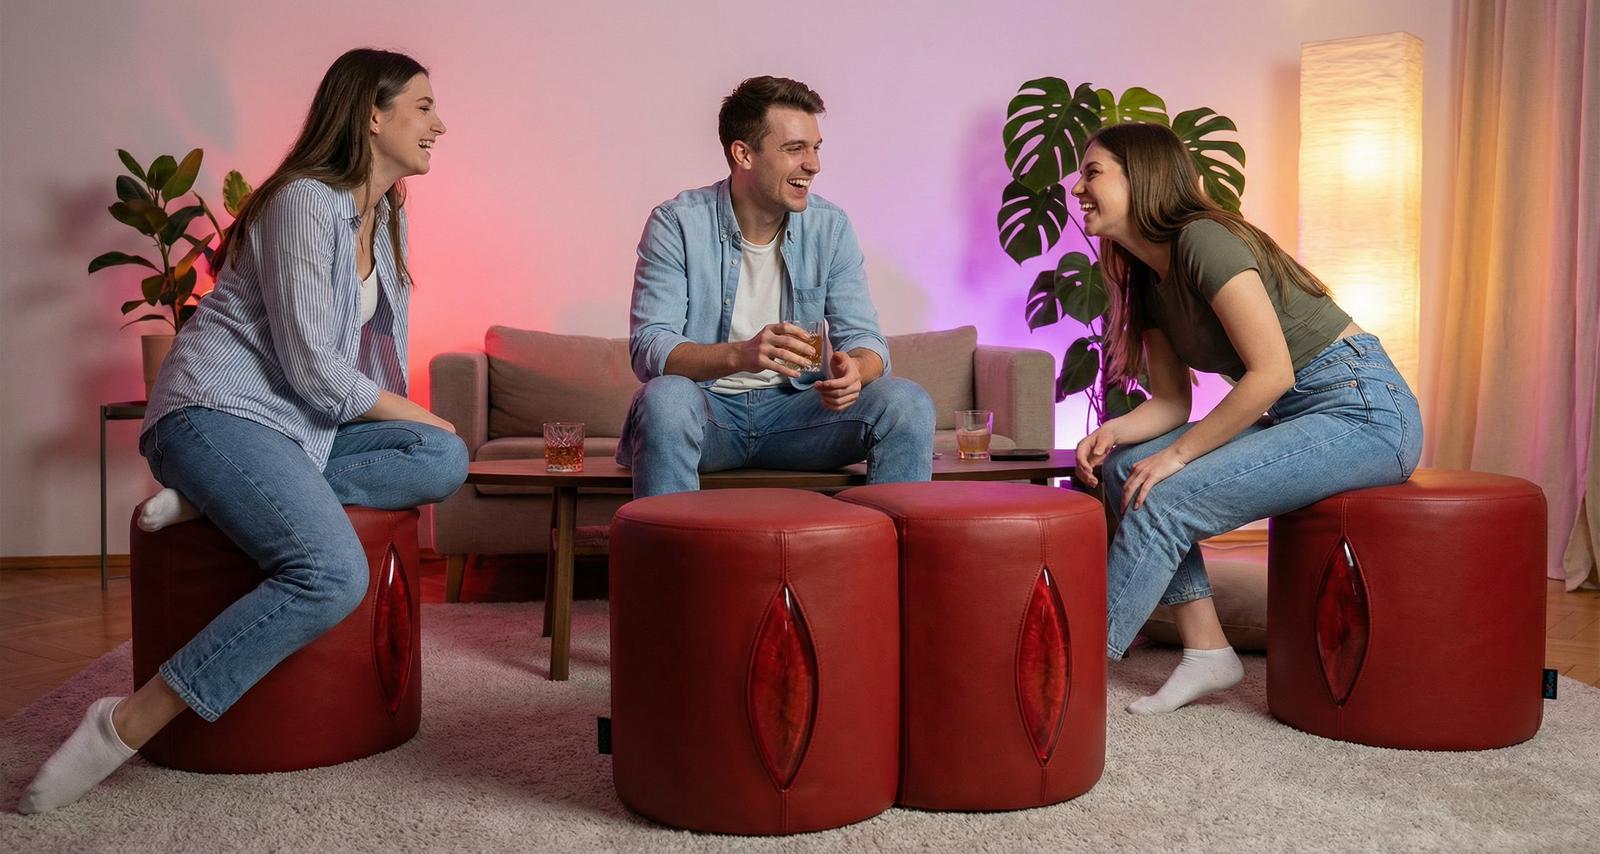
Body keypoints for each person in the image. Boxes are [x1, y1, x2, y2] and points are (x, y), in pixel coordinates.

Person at [19, 48, 467, 813]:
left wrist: (420, 424)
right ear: (372, 113)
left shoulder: (386, 215)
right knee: (332, 575)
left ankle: (213, 500)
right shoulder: (302, 202)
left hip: (299, 435)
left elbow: (374, 363)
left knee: (443, 456)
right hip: (214, 414)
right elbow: (315, 370)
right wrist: (419, 411)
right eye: (424, 107)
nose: (440, 125)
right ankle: (122, 725)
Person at [1070, 123, 1422, 714]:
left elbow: (1271, 373)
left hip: (1364, 410)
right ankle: (1208, 651)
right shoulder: (1147, 279)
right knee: (1127, 467)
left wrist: (1177, 456)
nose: (1077, 187)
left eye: (1092, 173)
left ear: (1142, 178)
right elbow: (1172, 402)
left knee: (1165, 496)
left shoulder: (1203, 240)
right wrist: (1112, 433)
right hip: (1297, 414)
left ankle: (1070, 670)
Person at [618, 76, 935, 498]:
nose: (813, 165)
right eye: (794, 149)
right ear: (744, 154)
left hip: (801, 417)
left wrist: (855, 370)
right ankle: (670, 543)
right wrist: (741, 355)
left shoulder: (830, 227)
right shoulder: (677, 223)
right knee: (665, 399)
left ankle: (886, 543)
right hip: (708, 414)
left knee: (907, 402)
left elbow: (866, 339)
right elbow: (650, 347)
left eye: (816, 148)